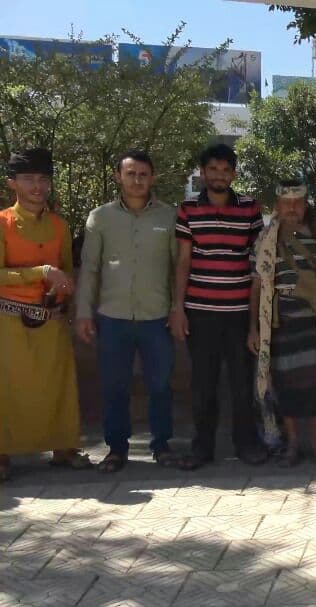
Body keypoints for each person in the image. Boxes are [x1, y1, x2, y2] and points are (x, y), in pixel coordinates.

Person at [75, 150, 178, 472]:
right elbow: (90, 268)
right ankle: (116, 449)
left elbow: (178, 268)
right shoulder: (100, 217)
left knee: (160, 386)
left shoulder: (169, 217)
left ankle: (162, 445)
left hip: (157, 317)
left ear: (153, 178)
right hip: (112, 317)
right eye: (130, 174)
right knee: (114, 387)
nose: (137, 180)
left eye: (143, 174)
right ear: (118, 176)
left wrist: (178, 309)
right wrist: (83, 313)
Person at [171, 144, 268, 470]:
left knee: (242, 383)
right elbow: (183, 261)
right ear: (203, 172)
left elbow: (258, 265)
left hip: (239, 313)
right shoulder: (188, 209)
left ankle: (247, 444)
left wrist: (255, 321)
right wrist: (177, 308)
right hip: (200, 312)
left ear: (234, 174)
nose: (219, 175)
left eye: (226, 170)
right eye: (213, 169)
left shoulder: (250, 209)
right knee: (203, 383)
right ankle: (202, 448)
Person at [0, 148, 90, 481]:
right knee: (8, 388)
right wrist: (40, 272)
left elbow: (65, 270)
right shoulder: (3, 223)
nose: (37, 186)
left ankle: (64, 448)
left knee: (58, 384)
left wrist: (62, 291)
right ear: (12, 183)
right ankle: (2, 454)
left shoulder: (59, 225)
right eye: (28, 179)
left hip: (51, 319)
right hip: (9, 322)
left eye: (43, 179)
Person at [249, 178, 316, 467]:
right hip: (283, 321)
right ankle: (291, 444)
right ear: (277, 205)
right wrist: (253, 327)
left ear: (305, 205)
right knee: (285, 385)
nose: (292, 208)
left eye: (297, 203)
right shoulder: (266, 239)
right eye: (286, 203)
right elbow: (256, 284)